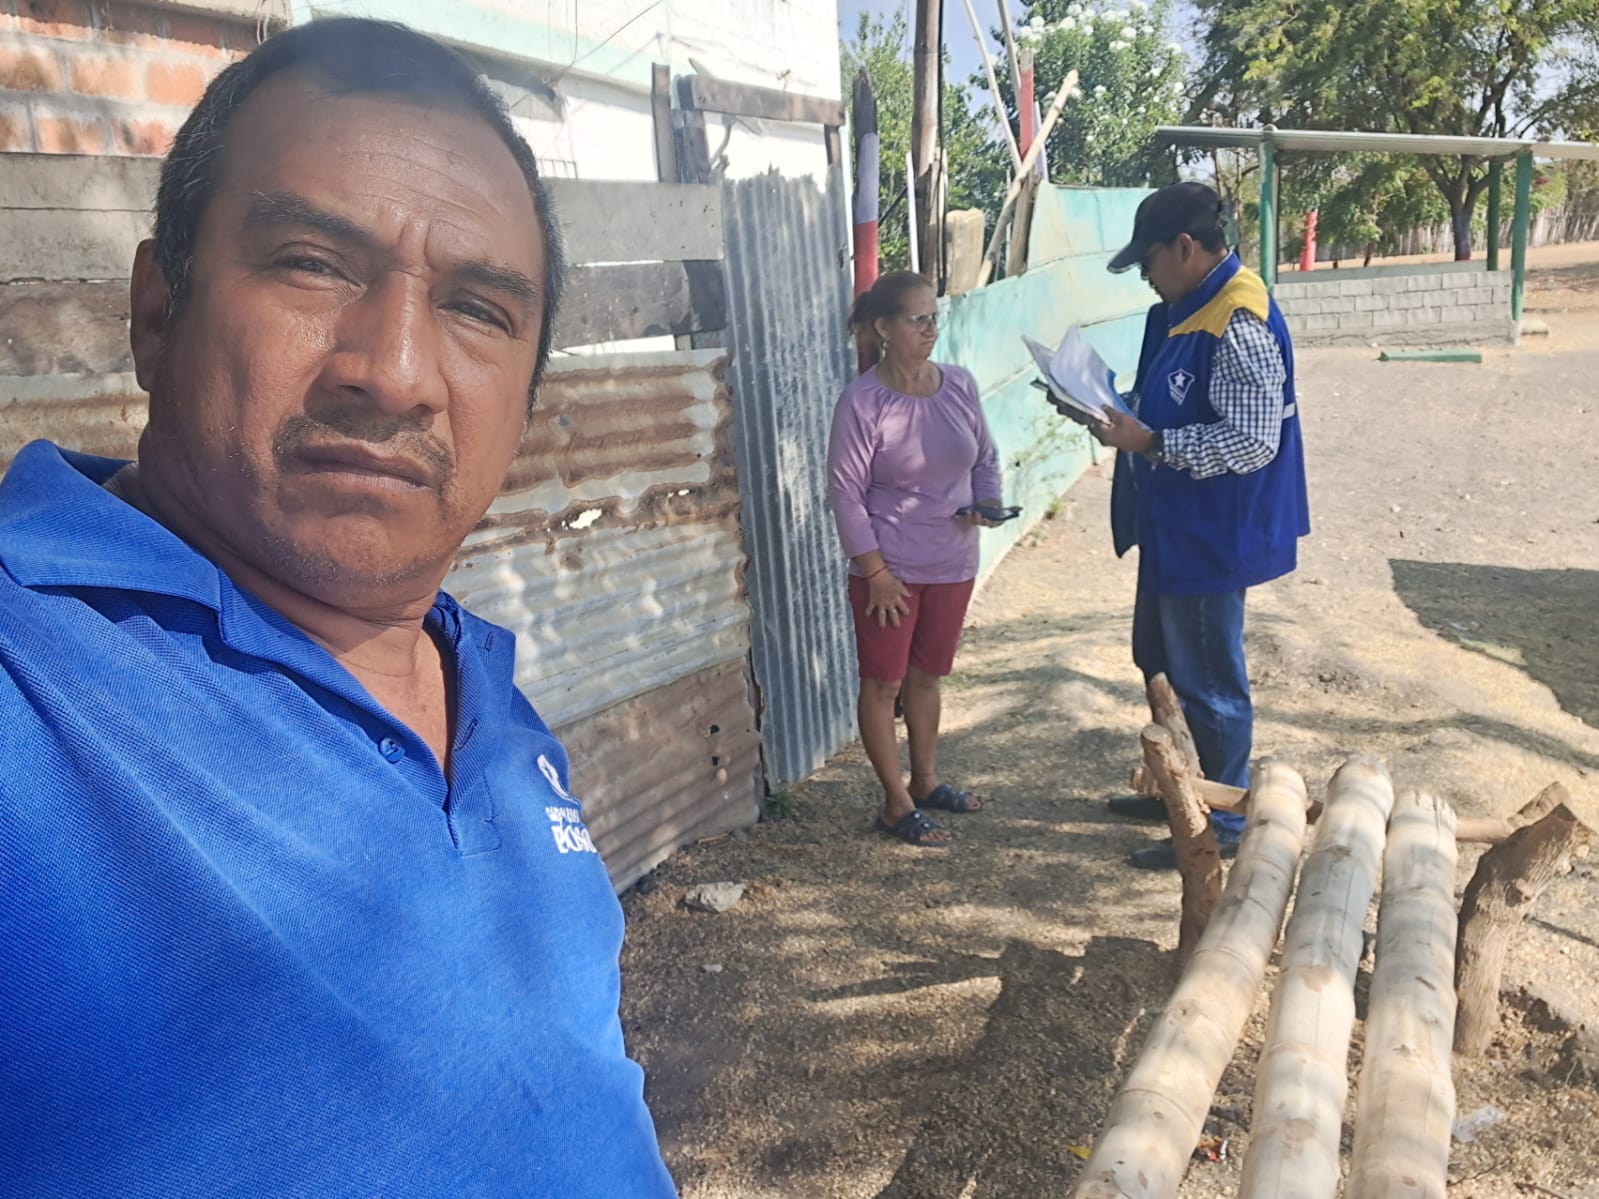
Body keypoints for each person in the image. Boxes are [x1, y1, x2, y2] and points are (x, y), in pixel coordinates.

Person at [0, 19, 676, 1197]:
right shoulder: (31, 682)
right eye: (312, 262)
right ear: (157, 312)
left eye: (478, 308)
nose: (395, 370)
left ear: (525, 399)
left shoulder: (495, 710)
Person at [1090, 182, 1310, 871]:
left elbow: (1251, 441)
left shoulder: (1236, 320)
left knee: (1209, 680)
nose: (1145, 277)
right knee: (1158, 658)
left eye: (1149, 261)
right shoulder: (1188, 305)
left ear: (1185, 248)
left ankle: (1220, 822)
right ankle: (1179, 789)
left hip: (1214, 533)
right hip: (1176, 522)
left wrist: (1151, 443)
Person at [827, 271, 1008, 847]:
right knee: (884, 684)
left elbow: (985, 458)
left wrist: (988, 505)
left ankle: (926, 781)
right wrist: (875, 572)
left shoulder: (959, 385)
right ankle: (895, 803)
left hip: (954, 563)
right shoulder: (863, 402)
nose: (931, 330)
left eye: (935, 318)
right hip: (891, 573)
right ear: (884, 328)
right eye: (918, 320)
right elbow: (845, 493)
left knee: (929, 677)